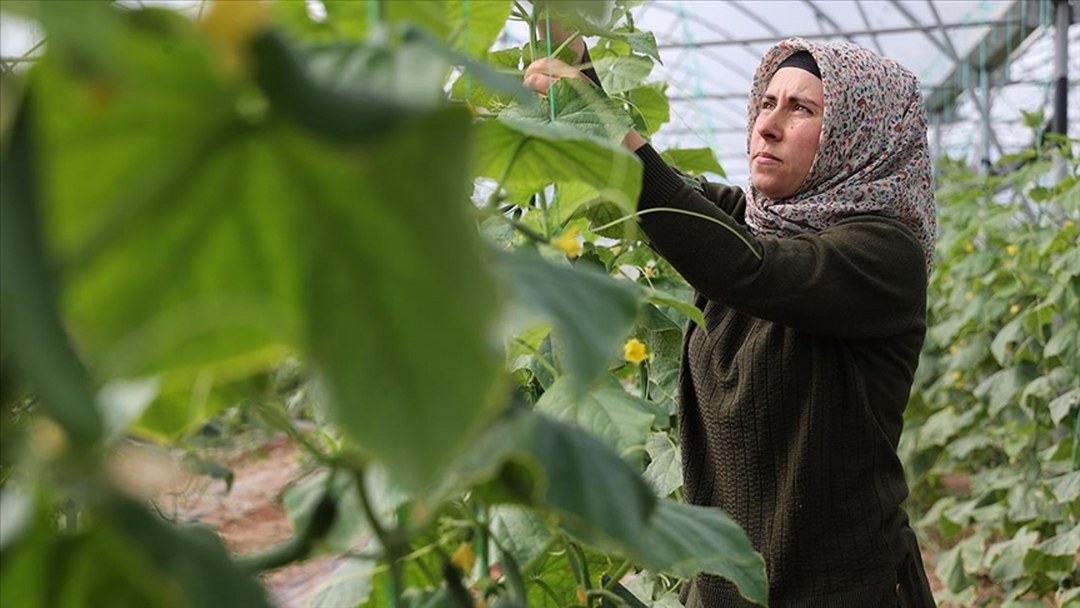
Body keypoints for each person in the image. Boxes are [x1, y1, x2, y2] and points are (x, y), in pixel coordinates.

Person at [522, 24, 938, 608]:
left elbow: (746, 268)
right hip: (722, 590)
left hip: (840, 589)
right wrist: (581, 74)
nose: (767, 124)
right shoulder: (751, 222)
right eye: (766, 102)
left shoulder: (885, 255)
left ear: (857, 134)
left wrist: (613, 133)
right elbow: (668, 201)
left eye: (801, 109)